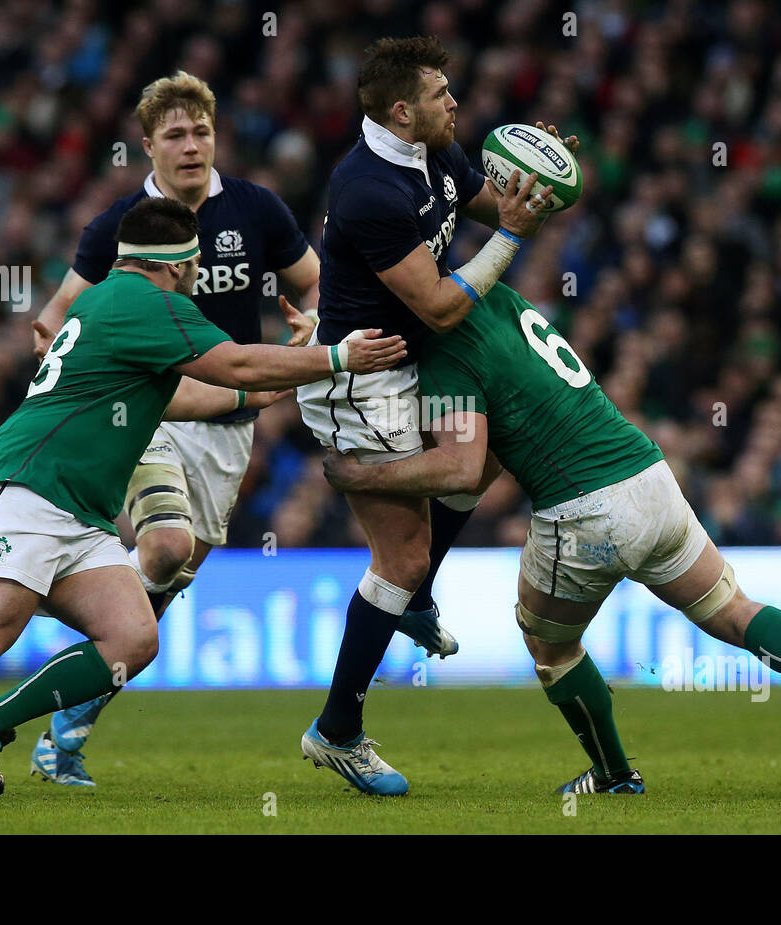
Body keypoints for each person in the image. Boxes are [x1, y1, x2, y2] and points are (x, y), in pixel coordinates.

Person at [0, 198, 407, 801]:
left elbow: (195, 399)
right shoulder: (150, 303)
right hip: (25, 487)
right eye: (193, 262)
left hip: (77, 511)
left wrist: (294, 369)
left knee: (132, 638)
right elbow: (239, 365)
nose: (196, 274)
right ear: (178, 264)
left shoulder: (107, 303)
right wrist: (334, 357)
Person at [324, 282, 781, 795]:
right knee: (732, 610)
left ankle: (615, 775)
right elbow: (490, 455)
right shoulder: (500, 300)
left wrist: (363, 474)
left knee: (551, 648)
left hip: (584, 509)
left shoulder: (443, 359)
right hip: (647, 474)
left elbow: (459, 468)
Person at [26, 71, 438, 786]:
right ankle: (62, 684)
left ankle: (72, 714)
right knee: (163, 545)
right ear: (147, 145)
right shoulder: (121, 229)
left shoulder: (255, 209)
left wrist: (314, 318)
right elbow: (55, 315)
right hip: (150, 413)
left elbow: (315, 278)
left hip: (233, 419)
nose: (191, 146)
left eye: (202, 131)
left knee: (178, 567)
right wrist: (69, 368)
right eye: (176, 135)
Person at [294, 36, 559, 795]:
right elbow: (442, 304)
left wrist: (538, 178)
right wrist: (513, 236)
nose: (457, 104)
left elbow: (488, 200)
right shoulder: (368, 190)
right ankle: (337, 728)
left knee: (491, 451)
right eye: (443, 94)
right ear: (403, 110)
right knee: (400, 556)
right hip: (363, 373)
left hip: (414, 359)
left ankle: (413, 596)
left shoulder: (434, 150)